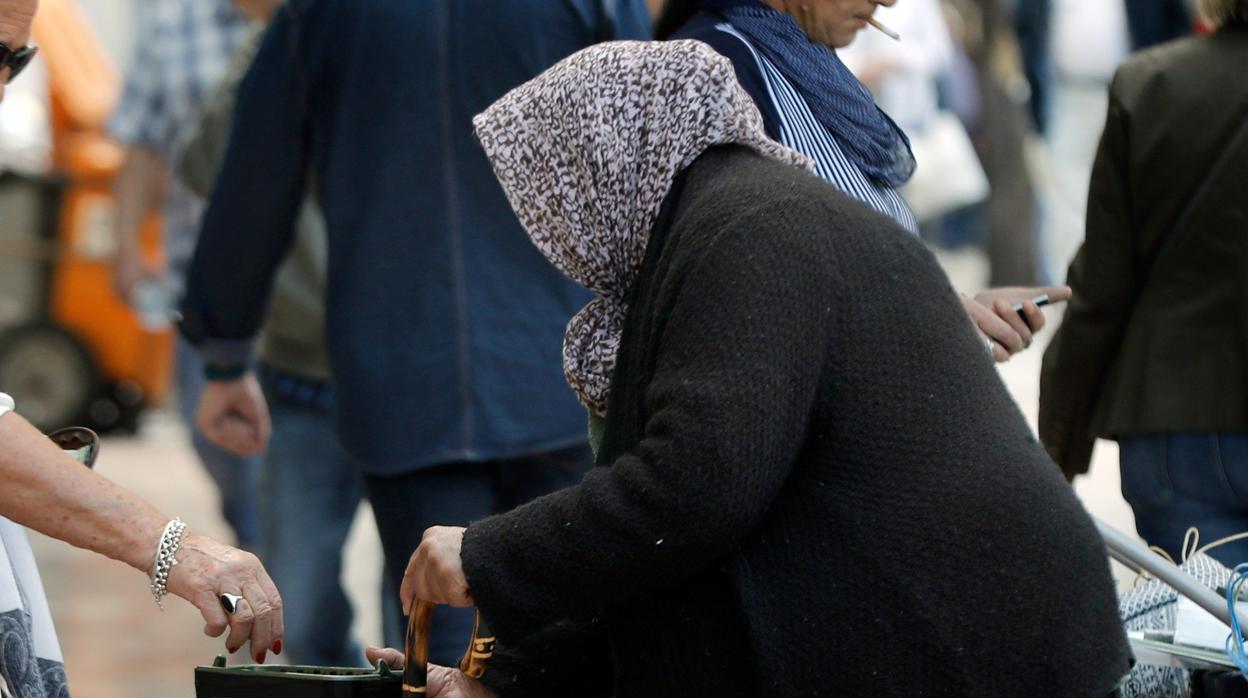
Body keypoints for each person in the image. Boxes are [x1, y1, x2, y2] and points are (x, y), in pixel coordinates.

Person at [368, 40, 1131, 697]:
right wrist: (505, 679)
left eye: (557, 192)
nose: (555, 231)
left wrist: (487, 557)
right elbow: (682, 551)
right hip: (954, 635)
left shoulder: (751, 232)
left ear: (610, 161)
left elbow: (692, 490)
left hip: (982, 644)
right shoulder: (723, 223)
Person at [178, 0, 651, 663]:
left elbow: (256, 180)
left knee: (438, 629)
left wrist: (223, 353)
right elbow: (652, 156)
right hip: (558, 365)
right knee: (561, 629)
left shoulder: (318, 15)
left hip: (400, 370)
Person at [655, 0, 1064, 364]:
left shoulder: (800, 54)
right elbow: (753, 286)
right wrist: (935, 317)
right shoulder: (713, 68)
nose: (887, 1)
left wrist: (953, 312)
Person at [176, 0, 380, 667]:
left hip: (410, 372)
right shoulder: (284, 36)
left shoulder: (408, 34)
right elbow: (211, 166)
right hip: (301, 377)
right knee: (297, 604)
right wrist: (280, 36)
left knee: (423, 607)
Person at [1040, 0, 1248, 565]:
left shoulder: (1150, 83)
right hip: (1180, 423)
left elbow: (1102, 289)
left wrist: (1060, 444)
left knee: (1203, 634)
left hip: (1175, 423)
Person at [109, 0, 260, 551]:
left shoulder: (316, 16)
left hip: (309, 301)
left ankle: (298, 601)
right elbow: (141, 144)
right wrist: (126, 247)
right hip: (201, 289)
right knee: (223, 447)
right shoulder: (169, 25)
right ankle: (256, 545)